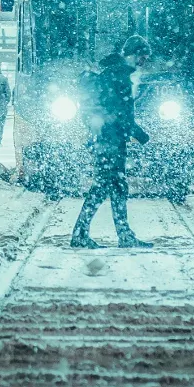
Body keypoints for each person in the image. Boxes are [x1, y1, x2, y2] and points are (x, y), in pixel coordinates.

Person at [71, 35, 153, 249]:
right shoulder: (118, 75)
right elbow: (119, 112)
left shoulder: (114, 72)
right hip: (110, 139)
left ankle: (123, 235)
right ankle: (81, 234)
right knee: (104, 187)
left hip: (108, 138)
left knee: (116, 187)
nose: (143, 61)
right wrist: (140, 134)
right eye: (142, 56)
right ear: (133, 54)